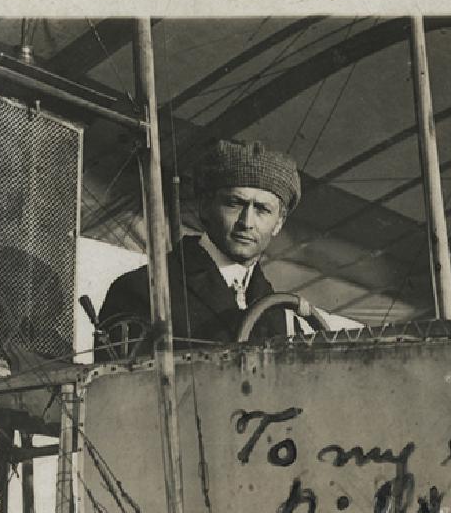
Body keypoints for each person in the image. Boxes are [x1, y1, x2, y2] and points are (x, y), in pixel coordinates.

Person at [97, 139, 301, 357]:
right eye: (235, 203)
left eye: (262, 209)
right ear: (204, 206)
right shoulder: (141, 290)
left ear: (278, 223)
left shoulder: (281, 314)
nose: (247, 221)